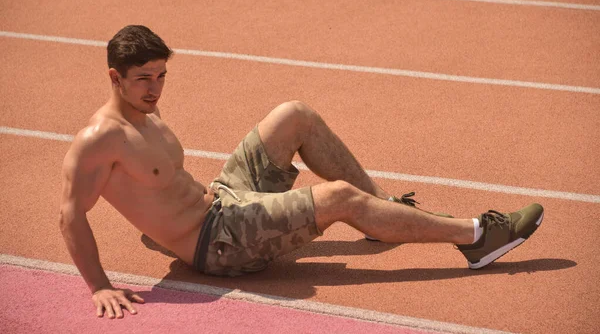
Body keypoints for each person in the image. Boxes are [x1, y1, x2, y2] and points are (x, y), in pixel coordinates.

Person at [60, 25, 544, 319]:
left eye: (161, 75)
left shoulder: (145, 112)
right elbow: (71, 217)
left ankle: (384, 213)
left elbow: (155, 182)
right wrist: (99, 285)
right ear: (114, 77)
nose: (155, 87)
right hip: (220, 244)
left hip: (222, 200)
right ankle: (476, 238)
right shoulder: (100, 139)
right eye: (143, 78)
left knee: (295, 114)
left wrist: (157, 223)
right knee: (337, 198)